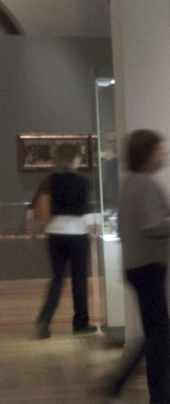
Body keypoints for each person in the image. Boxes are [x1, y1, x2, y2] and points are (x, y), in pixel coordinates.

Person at [104, 130, 170, 404]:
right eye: (160, 150)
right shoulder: (144, 185)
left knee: (156, 331)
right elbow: (151, 225)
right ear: (148, 153)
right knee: (158, 332)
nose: (165, 154)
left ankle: (157, 396)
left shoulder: (133, 184)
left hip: (139, 267)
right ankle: (156, 395)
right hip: (148, 267)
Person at [33, 143, 98, 338]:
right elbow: (85, 212)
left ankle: (44, 320)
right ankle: (80, 322)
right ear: (73, 159)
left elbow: (35, 207)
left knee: (57, 279)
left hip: (54, 233)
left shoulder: (49, 180)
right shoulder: (82, 181)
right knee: (79, 279)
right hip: (77, 234)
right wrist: (92, 232)